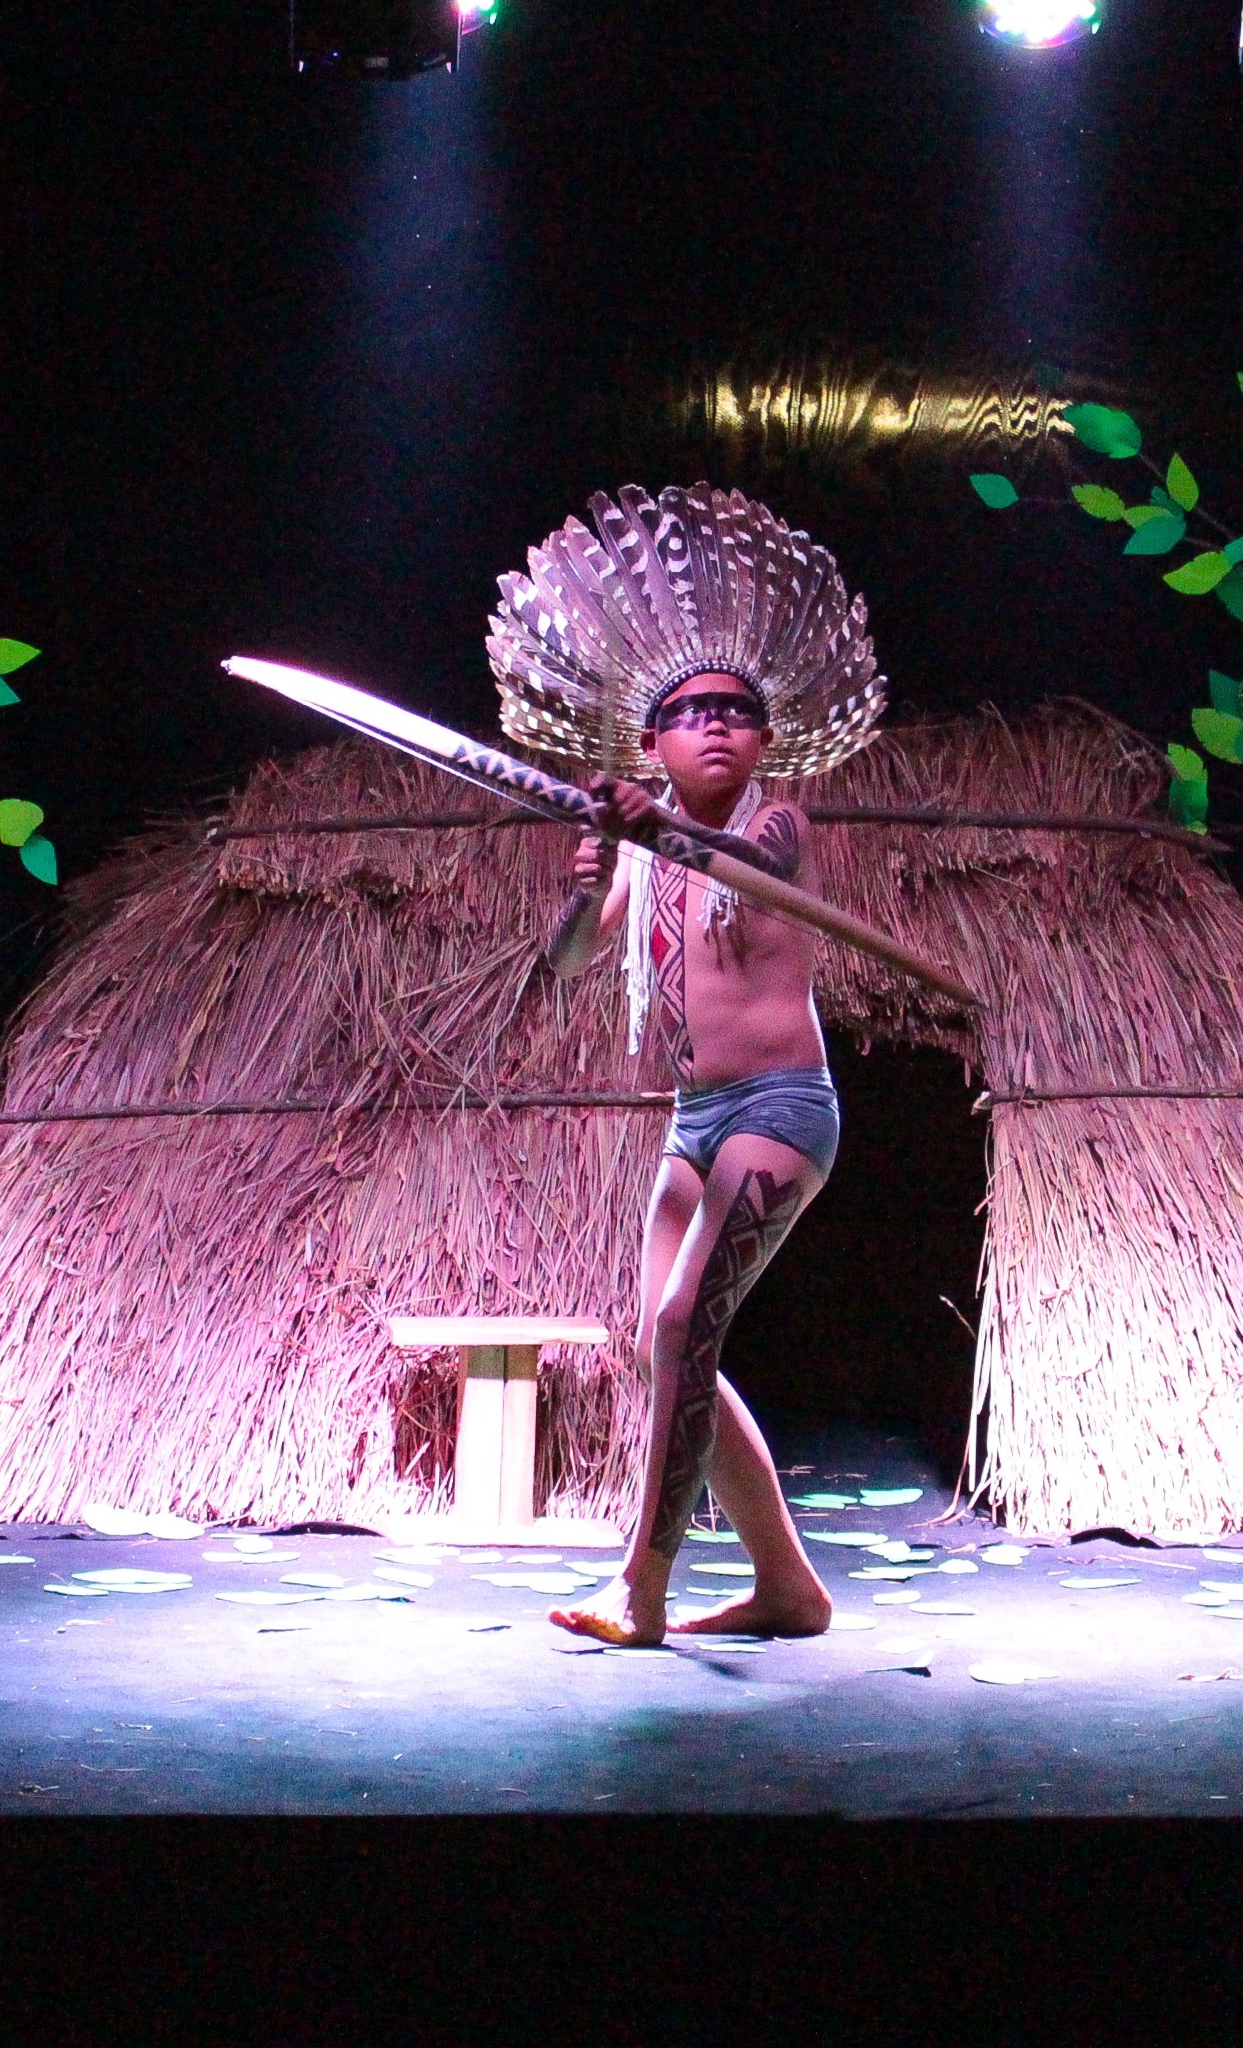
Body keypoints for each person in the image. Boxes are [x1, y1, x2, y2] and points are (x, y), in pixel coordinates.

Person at [483, 484, 886, 1647]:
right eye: (688, 711)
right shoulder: (642, 845)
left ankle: (640, 1587)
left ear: (766, 740)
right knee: (672, 1354)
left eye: (737, 711)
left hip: (780, 1110)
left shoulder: (778, 828)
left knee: (677, 1332)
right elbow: (568, 962)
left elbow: (734, 861)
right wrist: (587, 872)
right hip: (691, 1119)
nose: (715, 724)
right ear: (651, 740)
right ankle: (790, 1590)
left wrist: (649, 831)